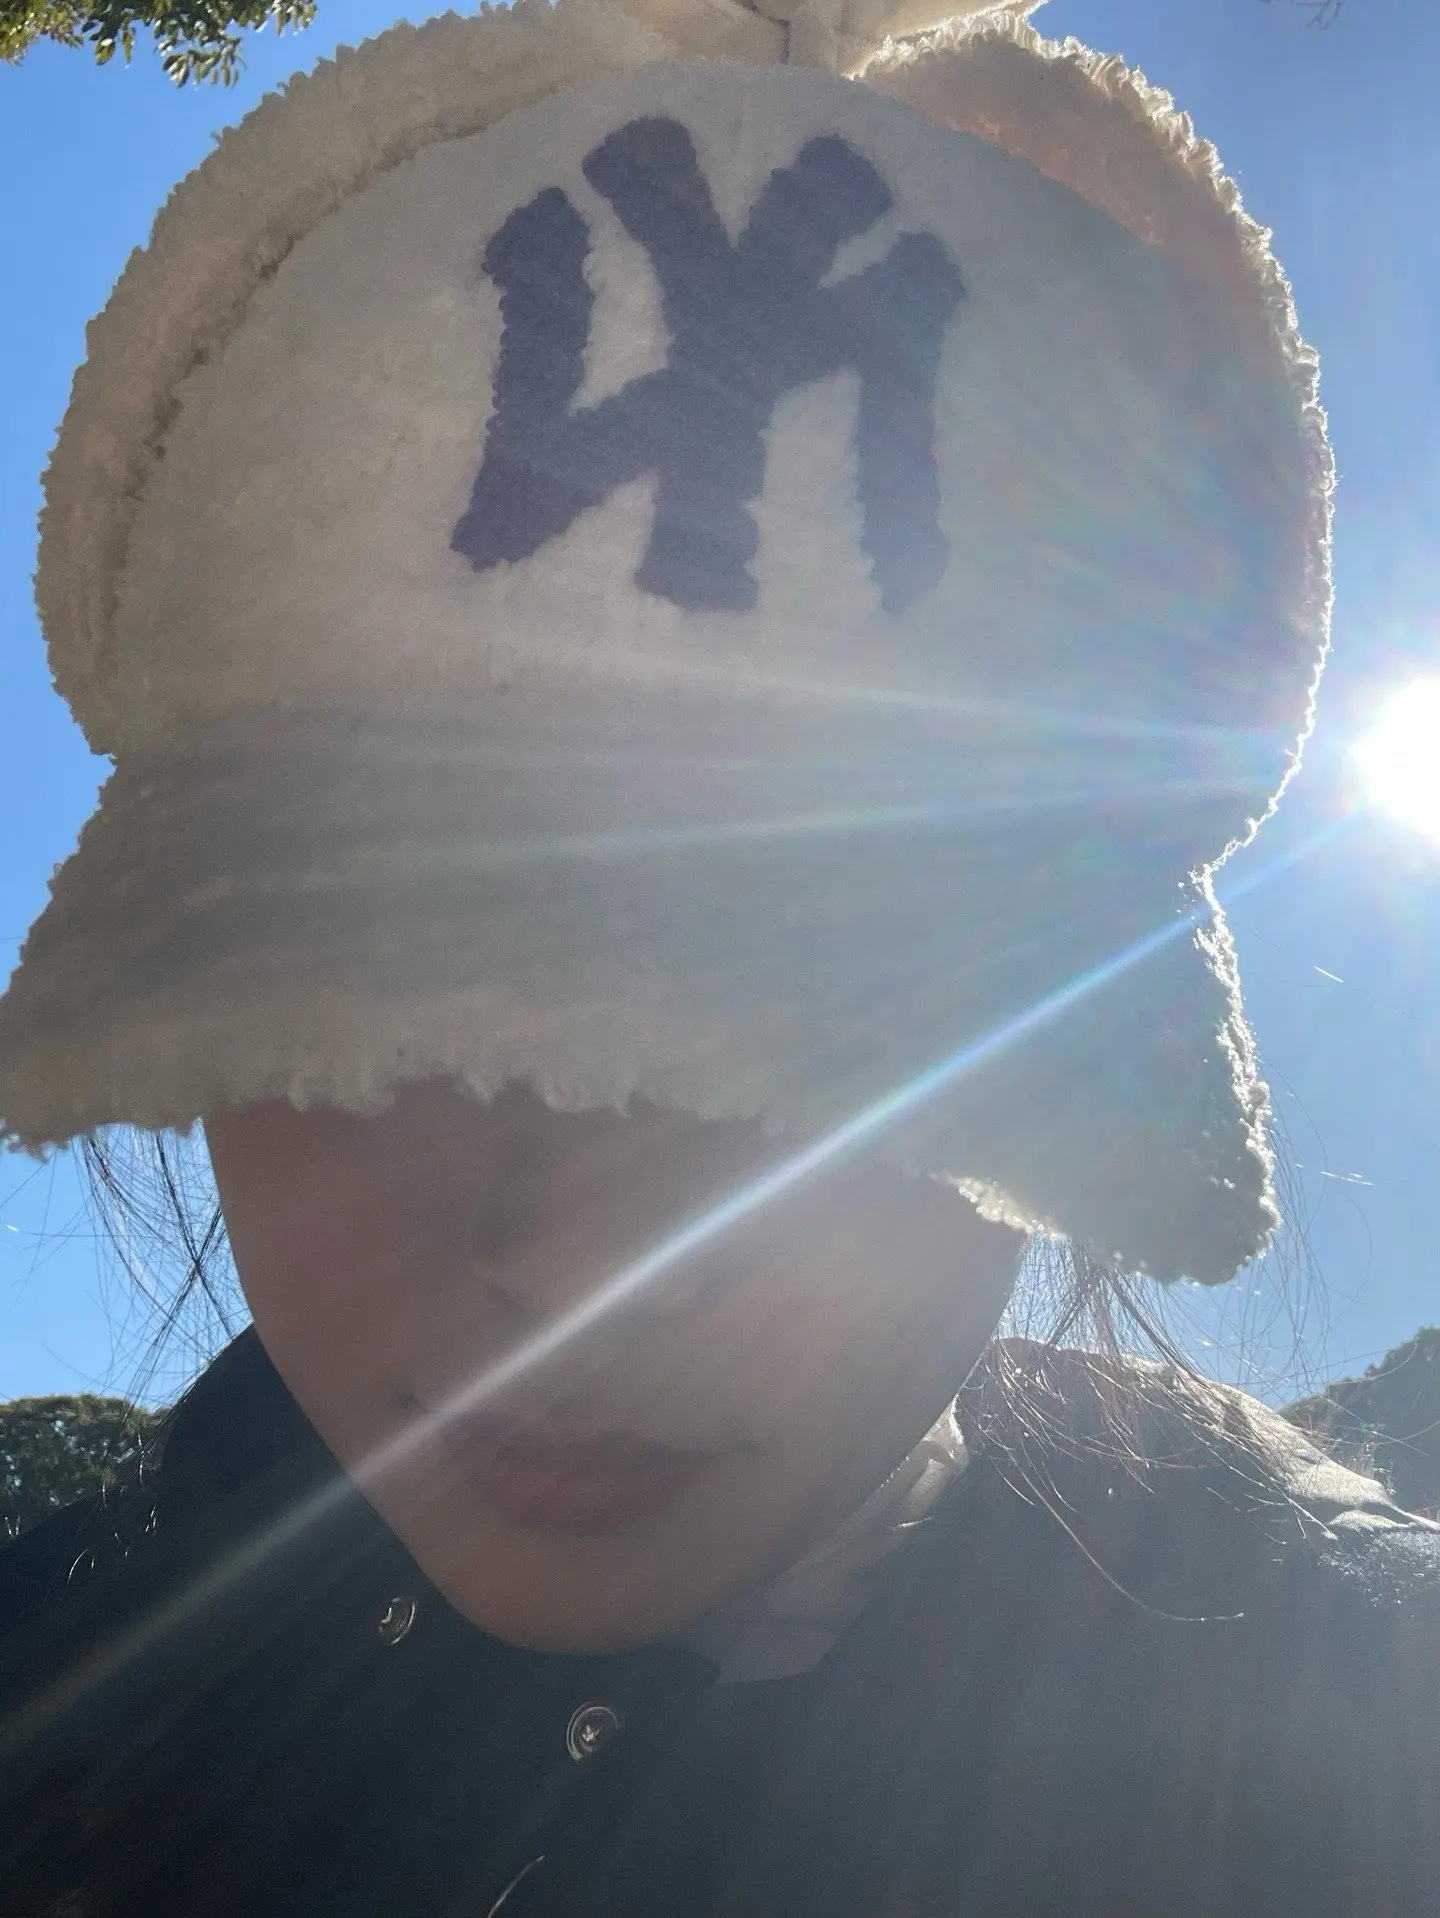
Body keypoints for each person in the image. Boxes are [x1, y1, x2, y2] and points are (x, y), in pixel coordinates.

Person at [1, 1, 1437, 1912]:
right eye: (406, 998)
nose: (591, 1268)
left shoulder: (1358, 1749)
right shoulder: (55, 1666)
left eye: (836, 1026)